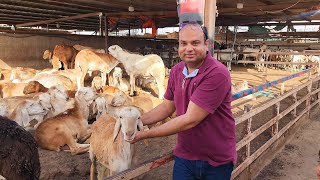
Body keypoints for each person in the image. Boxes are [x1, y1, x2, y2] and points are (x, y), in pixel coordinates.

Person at [128, 23, 236, 180]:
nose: (189, 48)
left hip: (215, 160)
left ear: (207, 45)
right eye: (183, 43)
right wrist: (135, 121)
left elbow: (190, 120)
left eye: (195, 43)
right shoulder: (177, 71)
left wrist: (145, 134)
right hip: (185, 155)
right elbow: (166, 106)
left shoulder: (217, 73)